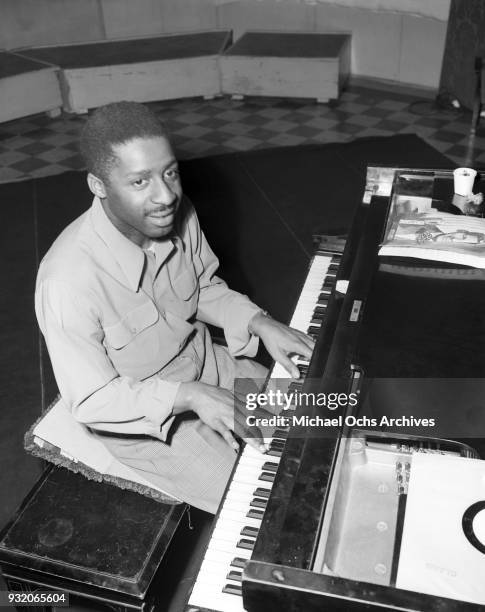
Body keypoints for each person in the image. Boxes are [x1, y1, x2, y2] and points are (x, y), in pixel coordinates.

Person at [35, 101, 313, 513]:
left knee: (318, 422)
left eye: (170, 172)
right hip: (146, 421)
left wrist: (257, 322)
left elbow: (201, 287)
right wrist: (190, 396)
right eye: (139, 181)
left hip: (207, 363)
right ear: (98, 185)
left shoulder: (179, 215)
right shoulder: (67, 282)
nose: (166, 195)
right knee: (274, 502)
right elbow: (93, 400)